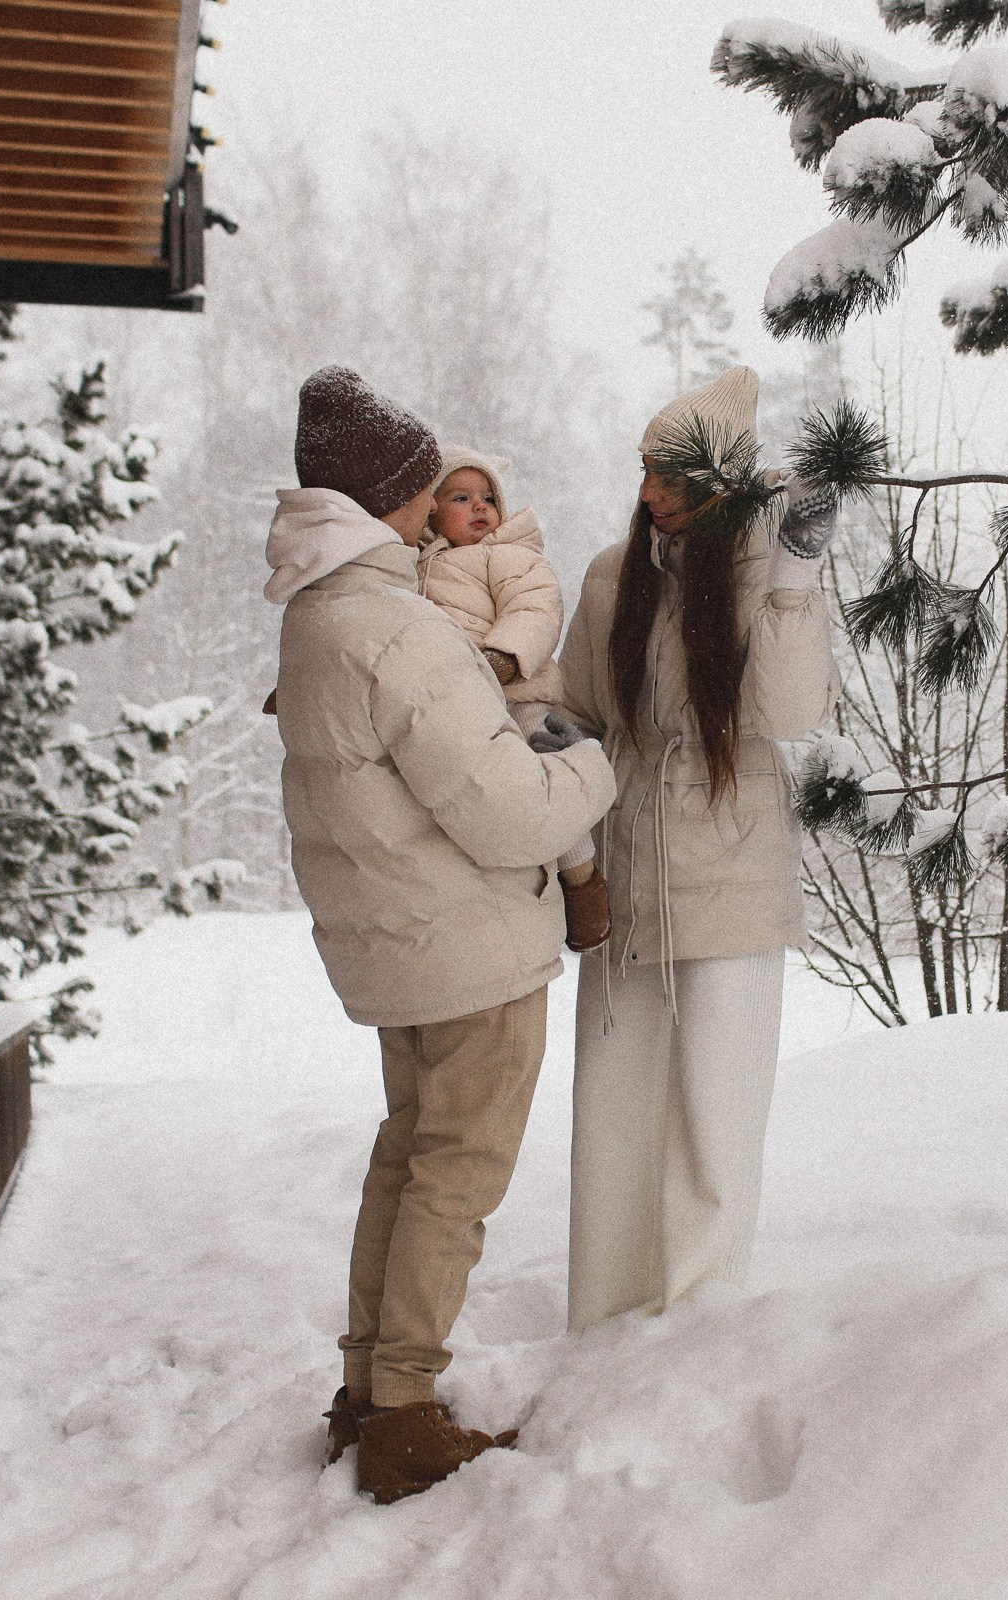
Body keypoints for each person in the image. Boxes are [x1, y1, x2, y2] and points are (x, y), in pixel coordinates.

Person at [265, 366, 616, 1503]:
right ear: (384, 502)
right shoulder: (396, 629)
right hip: (467, 950)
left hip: (396, 945)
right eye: (421, 492)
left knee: (405, 1163)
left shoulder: (318, 617)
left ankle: (368, 1392)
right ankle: (406, 1415)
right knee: (451, 1181)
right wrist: (597, 763)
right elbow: (507, 807)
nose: (432, 511)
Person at [555, 365, 840, 1332]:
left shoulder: (767, 573)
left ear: (721, 487)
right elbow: (579, 707)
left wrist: (797, 579)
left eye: (670, 480)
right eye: (644, 473)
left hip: (734, 879)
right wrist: (537, 726)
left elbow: (791, 714)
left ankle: (700, 1324)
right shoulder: (609, 577)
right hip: (628, 878)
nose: (648, 496)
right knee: (615, 1117)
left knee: (716, 1116)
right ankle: (604, 1322)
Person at [416, 447, 610, 951]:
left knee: (539, 774)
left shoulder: (509, 553)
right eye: (462, 497)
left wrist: (505, 655)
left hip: (518, 692)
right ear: (431, 508)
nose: (481, 507)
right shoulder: (412, 569)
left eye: (488, 498)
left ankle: (581, 876)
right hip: (457, 701)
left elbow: (536, 607)